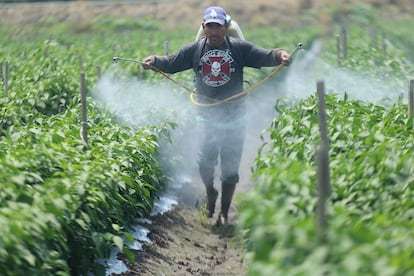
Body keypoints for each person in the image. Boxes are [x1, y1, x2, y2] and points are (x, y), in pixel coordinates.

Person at [142, 6, 291, 224]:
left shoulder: (239, 48)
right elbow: (171, 63)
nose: (214, 31)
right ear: (204, 27)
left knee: (230, 170)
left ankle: (224, 211)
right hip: (207, 115)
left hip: (235, 117)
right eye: (209, 26)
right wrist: (154, 60)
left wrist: (281, 55)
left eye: (218, 26)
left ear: (225, 28)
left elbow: (265, 56)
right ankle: (211, 192)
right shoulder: (194, 50)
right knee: (205, 161)